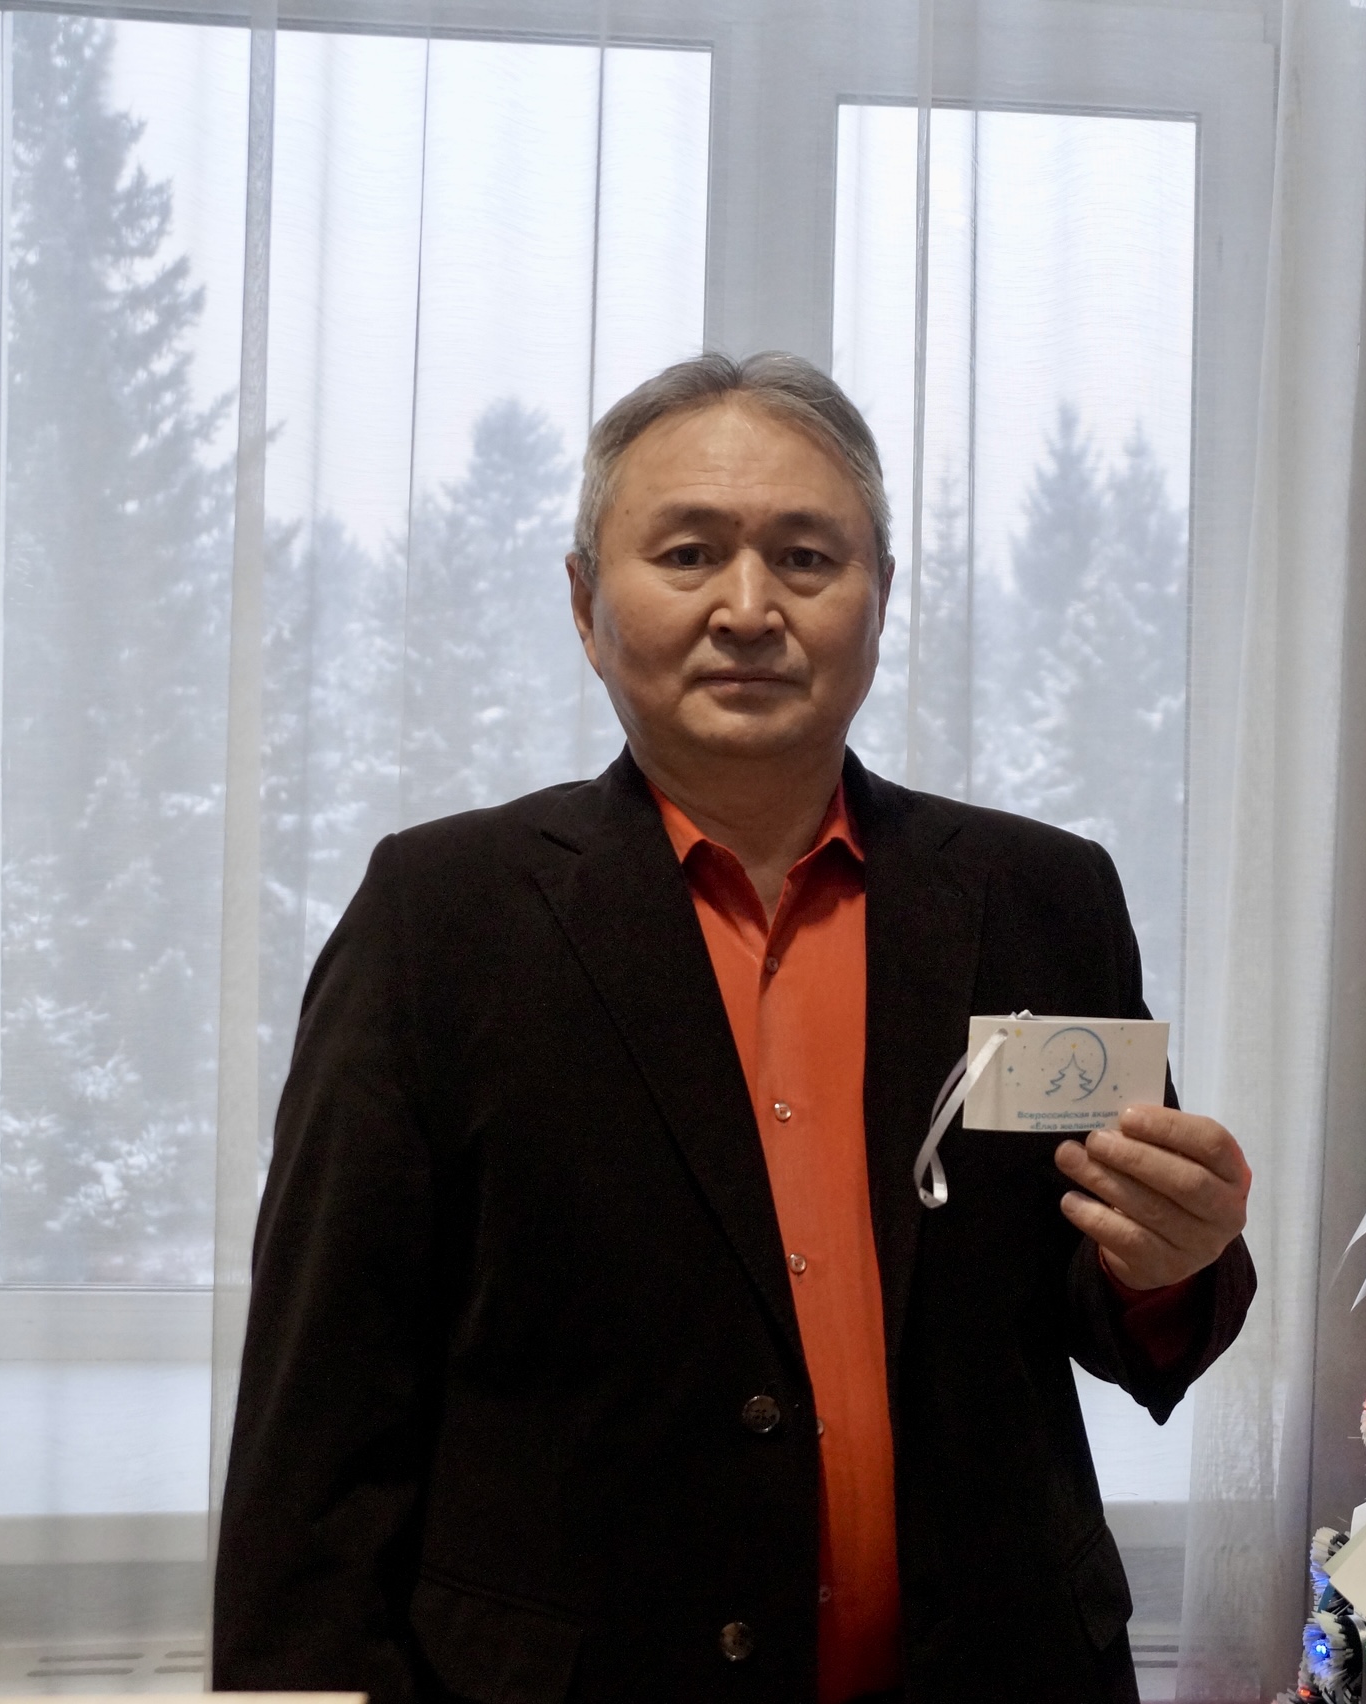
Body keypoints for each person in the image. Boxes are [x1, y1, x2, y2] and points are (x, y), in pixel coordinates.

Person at [214, 352, 1256, 1704]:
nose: (750, 609)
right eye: (690, 554)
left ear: (881, 597)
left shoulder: (1041, 897)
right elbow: (323, 1408)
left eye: (807, 558)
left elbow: (1105, 1299)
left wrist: (1173, 1262)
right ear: (586, 604)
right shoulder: (441, 918)